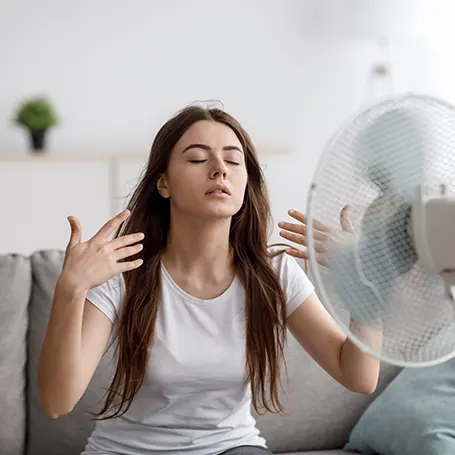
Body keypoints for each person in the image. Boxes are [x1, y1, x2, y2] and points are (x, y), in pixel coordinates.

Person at [38, 105, 381, 455]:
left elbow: (358, 376)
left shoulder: (273, 272)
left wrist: (367, 282)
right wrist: (71, 290)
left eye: (233, 161)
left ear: (246, 183)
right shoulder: (125, 272)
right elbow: (56, 402)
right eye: (198, 159)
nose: (220, 171)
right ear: (163, 183)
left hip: (229, 447)